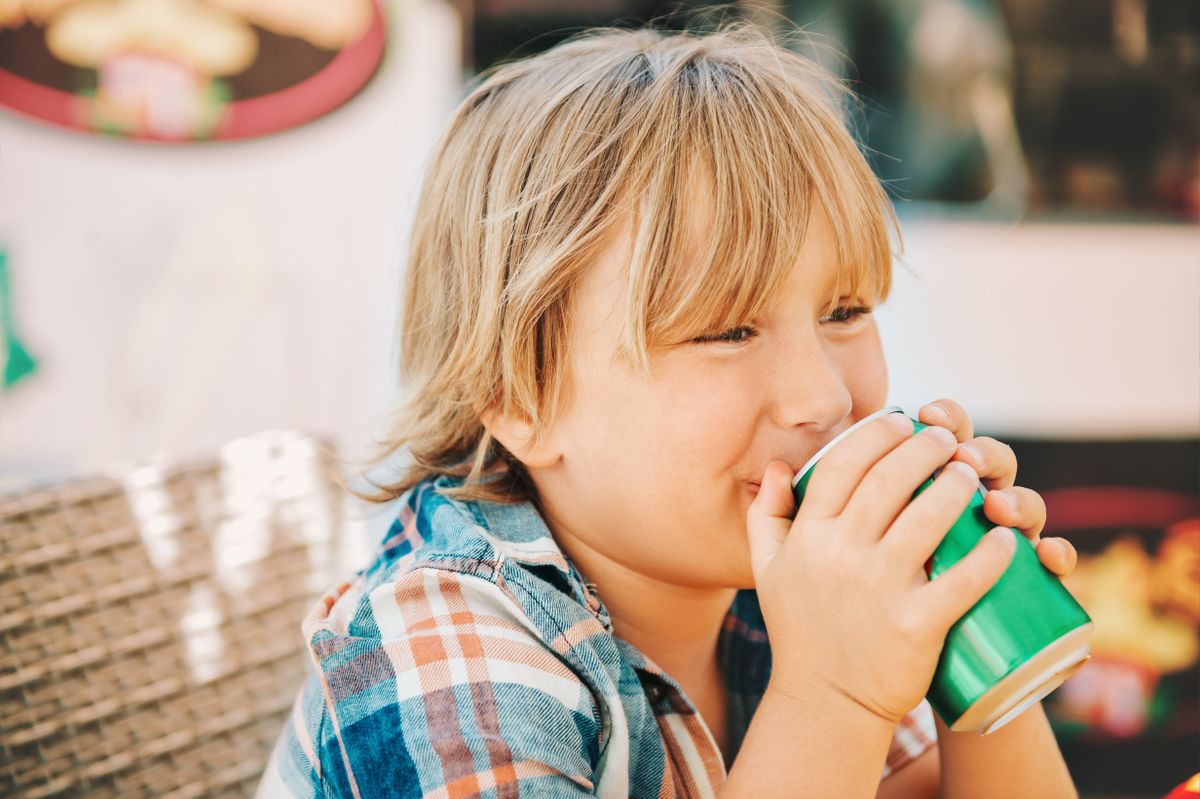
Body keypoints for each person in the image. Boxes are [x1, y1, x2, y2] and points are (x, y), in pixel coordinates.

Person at [257, 19, 1081, 799]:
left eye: (845, 311)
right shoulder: (437, 647)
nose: (825, 396)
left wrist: (981, 653)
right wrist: (834, 694)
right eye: (725, 330)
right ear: (523, 397)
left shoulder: (799, 587)